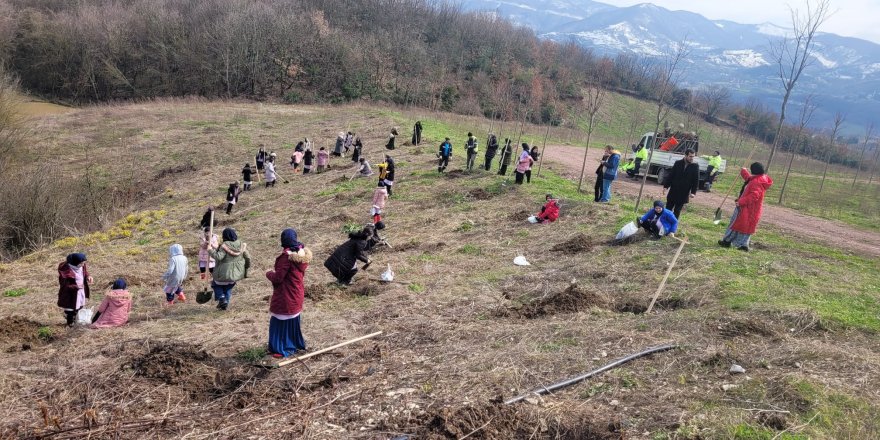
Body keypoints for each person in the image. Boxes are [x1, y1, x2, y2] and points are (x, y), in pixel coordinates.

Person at [266, 228, 312, 358]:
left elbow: (278, 278)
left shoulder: (286, 258)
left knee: (279, 322)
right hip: (296, 293)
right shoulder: (300, 254)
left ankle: (280, 348)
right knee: (292, 321)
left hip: (286, 295)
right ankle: (293, 344)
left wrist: (268, 273)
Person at [719, 163, 773, 251]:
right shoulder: (760, 178)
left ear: (754, 171)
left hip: (748, 208)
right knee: (744, 226)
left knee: (737, 225)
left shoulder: (757, 182)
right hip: (750, 209)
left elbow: (754, 196)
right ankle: (741, 244)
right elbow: (749, 179)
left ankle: (730, 242)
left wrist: (740, 202)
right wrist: (743, 171)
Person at [208, 228, 250, 310]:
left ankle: (222, 298)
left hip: (223, 273)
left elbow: (218, 256)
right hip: (235, 274)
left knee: (215, 285)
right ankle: (225, 304)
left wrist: (210, 250)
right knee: (228, 287)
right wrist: (246, 268)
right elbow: (247, 257)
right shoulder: (241, 244)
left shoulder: (225, 245)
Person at [663, 148, 700, 219]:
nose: (692, 158)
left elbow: (696, 180)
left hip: (684, 192)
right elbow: (671, 175)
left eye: (693, 156)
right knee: (668, 209)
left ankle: (673, 226)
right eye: (690, 156)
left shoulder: (695, 166)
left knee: (677, 210)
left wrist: (693, 192)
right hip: (673, 190)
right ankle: (664, 225)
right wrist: (666, 186)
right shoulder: (678, 163)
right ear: (685, 155)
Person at [58, 253, 92, 327]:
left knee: (79, 306)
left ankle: (75, 318)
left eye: (84, 263)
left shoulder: (81, 265)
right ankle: (70, 323)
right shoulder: (65, 271)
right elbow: (65, 286)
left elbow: (84, 271)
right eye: (81, 263)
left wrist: (88, 276)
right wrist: (76, 286)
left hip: (80, 291)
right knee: (70, 308)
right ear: (75, 262)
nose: (83, 265)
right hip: (70, 294)